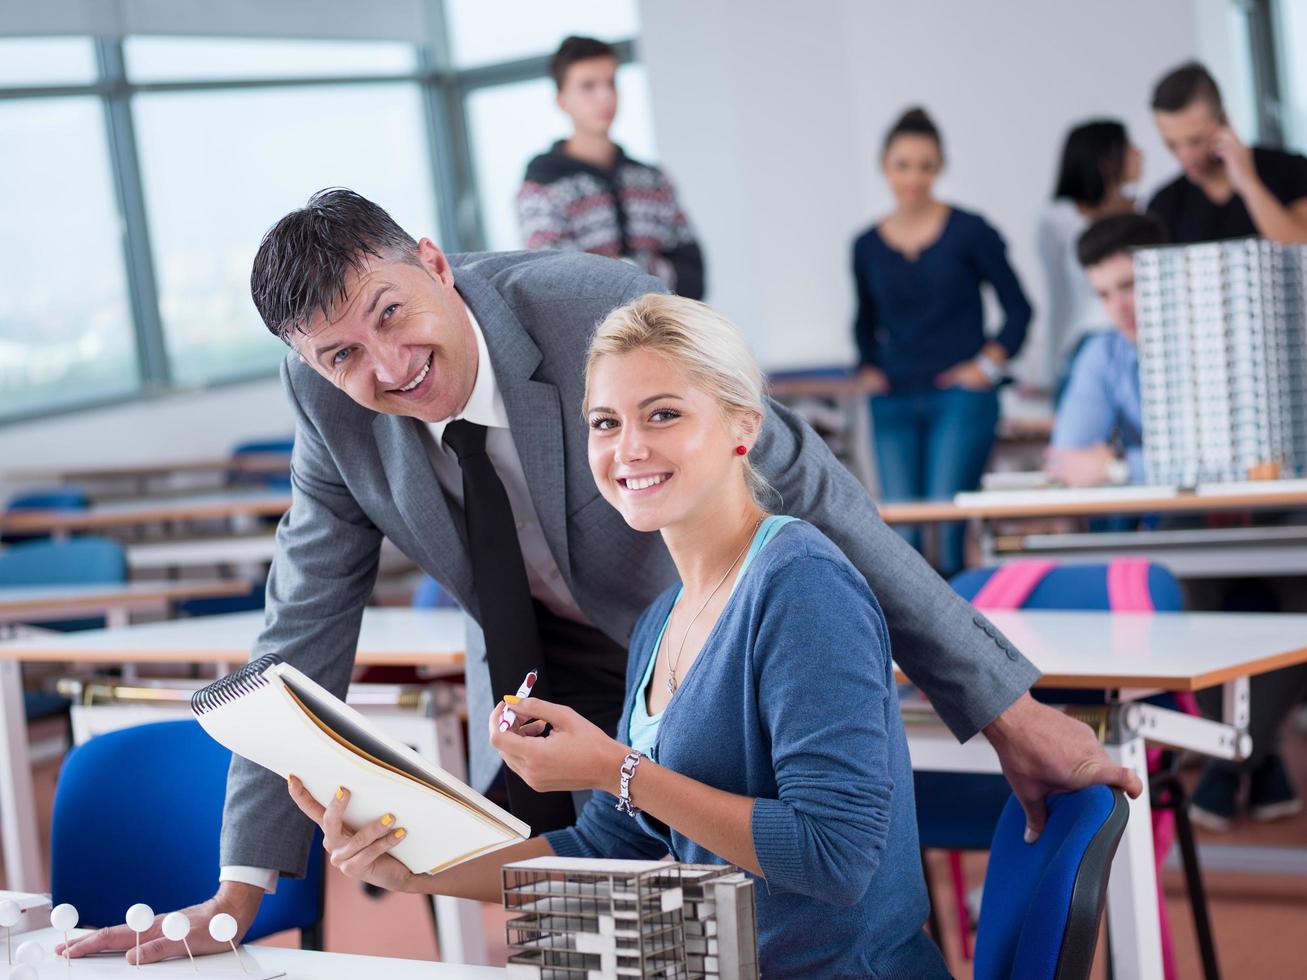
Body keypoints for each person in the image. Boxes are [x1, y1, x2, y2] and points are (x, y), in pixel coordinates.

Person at [62, 188, 1137, 965]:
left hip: (727, 622)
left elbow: (809, 500)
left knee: (792, 898)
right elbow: (298, 631)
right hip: (594, 668)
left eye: (388, 313)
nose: (382, 368)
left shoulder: (593, 315)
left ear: (432, 263)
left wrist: (1000, 706)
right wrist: (253, 886)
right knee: (599, 924)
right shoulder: (335, 407)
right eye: (338, 355)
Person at [287, 294, 951, 976]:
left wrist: (613, 768)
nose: (628, 448)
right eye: (605, 423)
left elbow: (832, 856)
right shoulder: (661, 619)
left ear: (741, 426)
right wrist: (419, 871)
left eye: (663, 414)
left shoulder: (801, 584)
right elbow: (611, 842)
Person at [853, 107, 1033, 576]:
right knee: (903, 539)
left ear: (940, 168)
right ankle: (912, 648)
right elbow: (864, 322)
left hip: (959, 397)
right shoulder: (865, 245)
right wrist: (869, 369)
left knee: (948, 532)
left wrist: (986, 367)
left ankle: (959, 645)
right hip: (892, 401)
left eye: (926, 165)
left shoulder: (970, 231)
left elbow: (1019, 308)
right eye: (902, 164)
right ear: (883, 166)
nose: (914, 177)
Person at [517, 35, 705, 299]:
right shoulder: (541, 187)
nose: (605, 96)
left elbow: (694, 278)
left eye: (611, 83)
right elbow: (555, 285)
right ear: (562, 100)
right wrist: (648, 271)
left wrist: (615, 269)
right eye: (588, 86)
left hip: (666, 333)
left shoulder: (653, 180)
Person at [1045, 212, 1167, 487]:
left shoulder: (1214, 341)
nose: (1118, 309)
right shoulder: (1104, 352)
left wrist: (1118, 467)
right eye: (1103, 294)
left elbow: (1228, 464)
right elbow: (1066, 462)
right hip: (1168, 514)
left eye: (1129, 286)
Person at [1148, 61, 1307, 244]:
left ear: (1223, 121)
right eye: (1171, 144)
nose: (1185, 156)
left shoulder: (1292, 170)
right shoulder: (1164, 204)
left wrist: (1248, 184)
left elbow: (1302, 248)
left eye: (1195, 141)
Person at [1036, 120, 1143, 391]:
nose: (1139, 154)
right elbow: (1057, 300)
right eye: (1129, 147)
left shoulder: (1146, 210)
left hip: (1141, 341)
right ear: (1107, 159)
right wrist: (1046, 372)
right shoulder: (1057, 220)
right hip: (1086, 341)